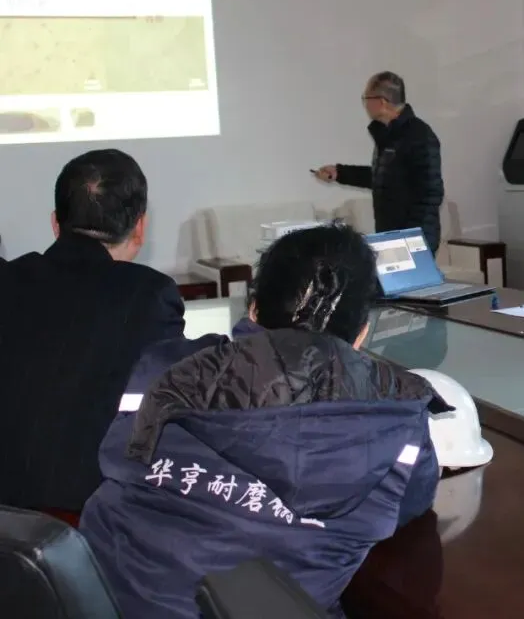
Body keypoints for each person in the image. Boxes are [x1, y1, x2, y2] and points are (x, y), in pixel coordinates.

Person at [79, 224, 449, 619]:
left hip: (100, 598)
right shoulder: (396, 417)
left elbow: (119, 456)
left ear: (253, 310)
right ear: (361, 335)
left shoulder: (165, 367)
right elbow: (411, 503)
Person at [0, 149, 185, 518]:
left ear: (56, 223)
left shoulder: (9, 280)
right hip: (90, 517)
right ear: (140, 227)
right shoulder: (151, 296)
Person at [315, 71, 445, 252]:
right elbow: (383, 178)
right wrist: (340, 173)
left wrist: (411, 239)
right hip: (391, 235)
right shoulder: (387, 135)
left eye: (366, 99)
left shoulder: (419, 135)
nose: (365, 104)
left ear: (381, 102)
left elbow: (431, 194)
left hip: (413, 240)